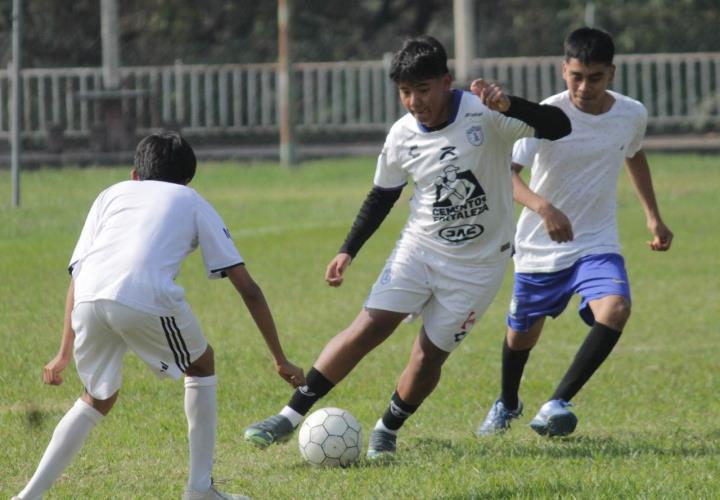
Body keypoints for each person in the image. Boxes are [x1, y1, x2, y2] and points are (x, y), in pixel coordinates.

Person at [243, 35, 570, 459]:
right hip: (419, 250)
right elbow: (382, 195)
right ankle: (288, 417)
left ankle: (387, 428)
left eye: (423, 89)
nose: (414, 101)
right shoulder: (401, 136)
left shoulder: (486, 114)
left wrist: (511, 105)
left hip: (479, 266)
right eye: (405, 92)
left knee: (428, 355)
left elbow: (558, 127)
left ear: (446, 82)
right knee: (368, 327)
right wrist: (348, 250)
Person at [13, 132, 305, 500]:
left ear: (136, 174)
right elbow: (248, 287)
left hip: (89, 297)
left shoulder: (110, 194)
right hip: (143, 294)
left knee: (96, 398)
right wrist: (279, 359)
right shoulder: (191, 200)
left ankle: (28, 496)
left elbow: (79, 273)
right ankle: (200, 490)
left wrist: (63, 352)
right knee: (201, 365)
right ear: (187, 179)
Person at [475, 27, 673, 438]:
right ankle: (507, 403)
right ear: (564, 70)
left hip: (597, 241)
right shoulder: (547, 114)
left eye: (595, 77)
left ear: (612, 74)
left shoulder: (631, 113)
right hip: (538, 245)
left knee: (615, 308)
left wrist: (652, 215)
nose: (585, 86)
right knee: (520, 337)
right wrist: (544, 207)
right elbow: (505, 176)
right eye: (576, 76)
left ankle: (557, 402)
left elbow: (634, 155)